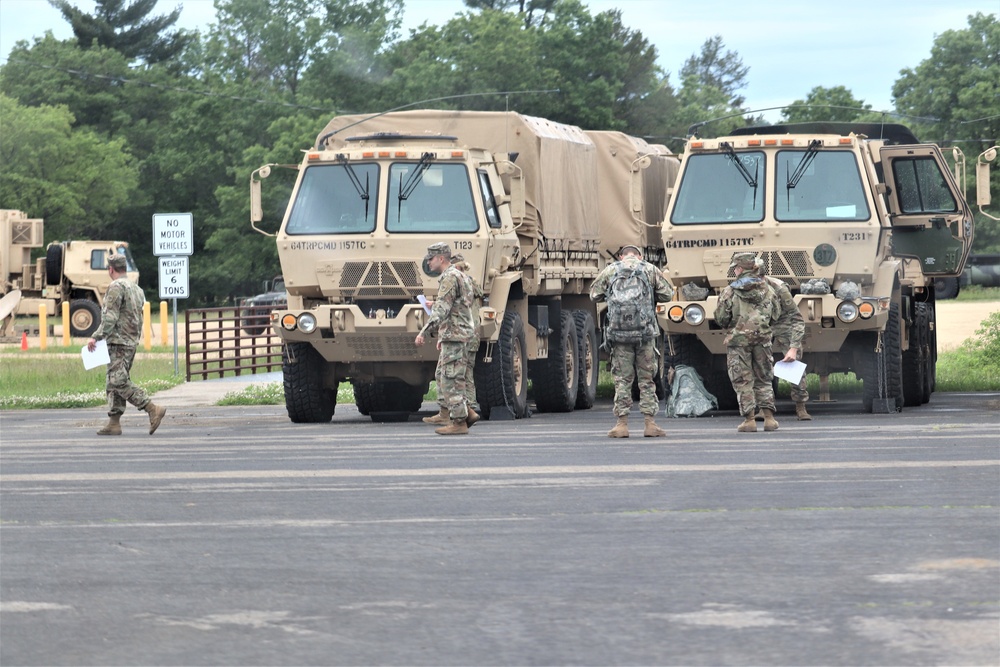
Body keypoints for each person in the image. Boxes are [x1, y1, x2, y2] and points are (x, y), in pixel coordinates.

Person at [589, 244, 673, 438]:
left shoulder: (611, 270)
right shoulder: (649, 269)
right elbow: (667, 294)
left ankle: (622, 425)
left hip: (619, 336)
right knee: (646, 380)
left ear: (621, 256)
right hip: (645, 334)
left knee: (622, 380)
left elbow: (594, 295)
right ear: (640, 255)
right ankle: (650, 424)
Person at [86, 254, 166, 436]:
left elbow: (110, 317)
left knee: (117, 380)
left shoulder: (116, 287)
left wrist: (96, 336)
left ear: (111, 269)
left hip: (118, 341)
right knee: (113, 380)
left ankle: (152, 408)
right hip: (130, 340)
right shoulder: (136, 288)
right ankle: (114, 423)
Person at [714, 252, 782, 433]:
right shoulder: (769, 288)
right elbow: (776, 314)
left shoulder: (730, 291)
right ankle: (769, 419)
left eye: (735, 268)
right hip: (763, 340)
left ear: (739, 269)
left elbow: (721, 318)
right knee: (764, 378)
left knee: (743, 380)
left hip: (738, 341)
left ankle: (749, 420)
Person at [414, 243, 478, 435]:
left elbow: (442, 311)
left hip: (455, 335)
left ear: (441, 258)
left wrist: (423, 332)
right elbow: (458, 304)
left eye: (431, 259)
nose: (428, 262)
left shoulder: (450, 277)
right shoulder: (459, 275)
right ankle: (468, 413)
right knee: (447, 375)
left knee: (451, 379)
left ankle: (459, 422)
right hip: (459, 333)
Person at [755, 257, 812, 421]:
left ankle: (801, 406)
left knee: (793, 365)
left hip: (783, 322)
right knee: (759, 365)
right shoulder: (744, 288)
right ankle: (764, 407)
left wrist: (793, 347)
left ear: (761, 276)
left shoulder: (779, 288)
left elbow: (797, 318)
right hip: (761, 324)